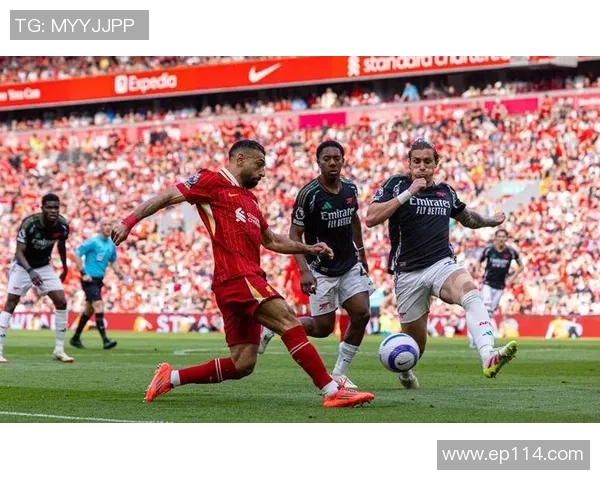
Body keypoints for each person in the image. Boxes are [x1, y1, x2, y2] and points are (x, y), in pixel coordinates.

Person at [111, 140, 375, 408]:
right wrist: (128, 222)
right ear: (240, 160)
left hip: (236, 282)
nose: (263, 172)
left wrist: (309, 248)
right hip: (238, 277)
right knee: (287, 318)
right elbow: (167, 196)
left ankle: (170, 378)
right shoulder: (211, 181)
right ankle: (332, 390)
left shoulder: (250, 200)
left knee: (242, 363)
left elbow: (271, 240)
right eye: (259, 165)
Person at [365, 138, 518, 389]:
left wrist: (490, 221)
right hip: (408, 273)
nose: (422, 166)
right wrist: (408, 193)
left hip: (441, 264)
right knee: (416, 346)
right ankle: (405, 373)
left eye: (427, 161)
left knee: (470, 292)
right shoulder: (396, 184)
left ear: (436, 163)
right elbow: (371, 218)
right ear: (409, 163)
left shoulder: (446, 191)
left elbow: (467, 218)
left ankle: (488, 354)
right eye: (417, 161)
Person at [258, 141, 374, 389]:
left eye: (336, 158)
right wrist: (304, 271)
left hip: (349, 265)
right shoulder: (309, 194)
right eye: (327, 159)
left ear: (343, 160)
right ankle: (274, 327)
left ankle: (340, 373)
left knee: (362, 313)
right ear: (318, 162)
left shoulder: (351, 189)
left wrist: (361, 252)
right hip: (321, 269)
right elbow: (294, 233)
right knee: (322, 328)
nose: (332, 162)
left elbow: (354, 220)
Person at [0, 193, 73, 363]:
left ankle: (59, 350)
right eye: (49, 207)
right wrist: (30, 271)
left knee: (61, 301)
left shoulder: (62, 225)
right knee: (11, 303)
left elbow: (61, 244)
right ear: (42, 208)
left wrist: (65, 266)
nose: (53, 210)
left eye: (56, 207)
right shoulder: (30, 224)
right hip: (23, 266)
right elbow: (19, 253)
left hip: (44, 266)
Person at [70, 219, 123, 350]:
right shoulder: (93, 241)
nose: (108, 227)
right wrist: (83, 272)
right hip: (89, 279)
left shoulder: (111, 245)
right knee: (99, 305)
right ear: (100, 227)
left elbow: (113, 260)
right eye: (105, 225)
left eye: (110, 224)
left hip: (98, 280)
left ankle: (75, 338)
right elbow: (77, 254)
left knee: (89, 310)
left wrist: (118, 272)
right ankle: (105, 340)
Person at [477, 229, 523, 319]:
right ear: (495, 238)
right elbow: (479, 261)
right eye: (499, 236)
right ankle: (481, 325)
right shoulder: (489, 250)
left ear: (506, 238)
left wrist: (512, 277)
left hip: (500, 285)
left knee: (491, 310)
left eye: (503, 237)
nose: (501, 239)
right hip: (488, 283)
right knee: (487, 307)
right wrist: (479, 271)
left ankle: (484, 324)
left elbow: (521, 266)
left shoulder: (511, 252)